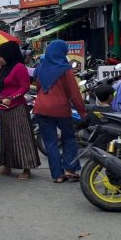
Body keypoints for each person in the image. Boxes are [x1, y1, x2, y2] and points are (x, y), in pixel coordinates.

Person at [33, 40, 87, 183]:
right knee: (69, 138)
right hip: (61, 109)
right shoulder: (65, 69)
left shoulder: (40, 67)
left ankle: (57, 175)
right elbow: (74, 93)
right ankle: (70, 169)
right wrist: (83, 112)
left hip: (41, 108)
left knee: (50, 143)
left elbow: (38, 87)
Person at [0, 41, 40, 180]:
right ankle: (6, 166)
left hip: (17, 108)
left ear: (9, 54)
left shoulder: (19, 67)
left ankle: (27, 169)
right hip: (3, 107)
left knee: (21, 138)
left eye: (1, 56)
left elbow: (24, 87)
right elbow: (0, 87)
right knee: (5, 138)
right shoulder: (4, 68)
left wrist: (11, 98)